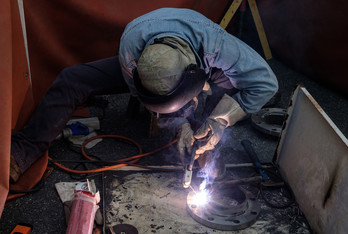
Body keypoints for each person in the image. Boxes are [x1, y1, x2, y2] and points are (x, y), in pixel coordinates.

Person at [10, 8, 278, 183]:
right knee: (72, 79)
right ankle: (26, 147)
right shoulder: (132, 48)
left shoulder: (218, 45)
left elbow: (265, 83)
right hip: (151, 60)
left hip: (202, 65)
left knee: (227, 90)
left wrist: (219, 120)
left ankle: (207, 146)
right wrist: (181, 122)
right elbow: (157, 101)